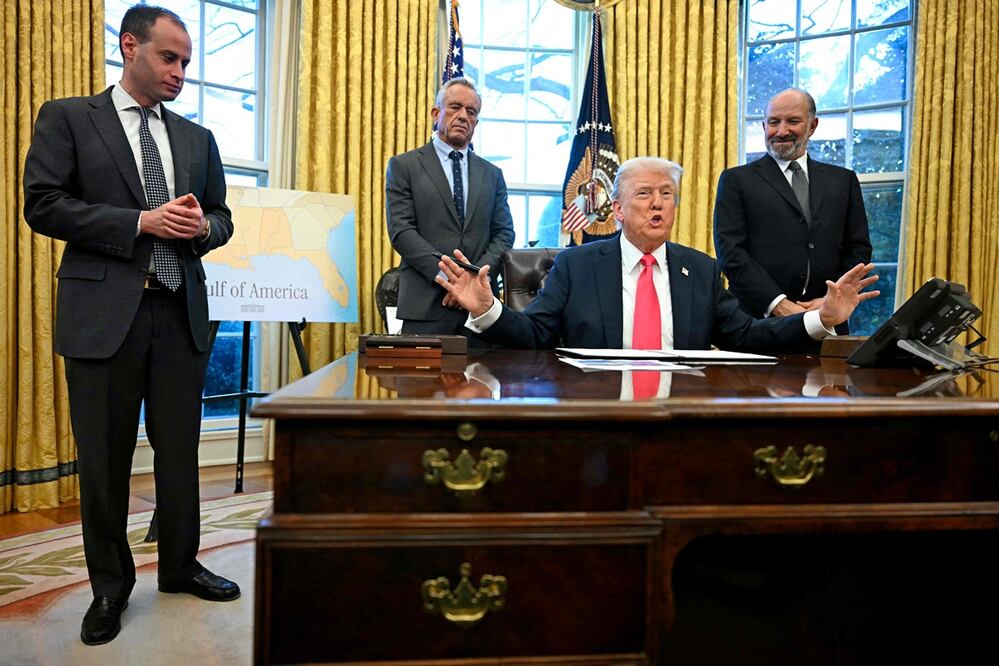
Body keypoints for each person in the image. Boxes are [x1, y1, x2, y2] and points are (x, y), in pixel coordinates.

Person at [22, 5, 238, 646]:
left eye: (187, 64)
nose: (179, 74)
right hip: (101, 315)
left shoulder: (198, 139)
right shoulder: (68, 118)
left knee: (180, 454)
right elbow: (43, 203)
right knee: (105, 459)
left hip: (179, 313)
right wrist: (138, 222)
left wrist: (204, 229)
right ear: (129, 47)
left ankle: (179, 565)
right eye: (169, 58)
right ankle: (109, 589)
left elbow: (223, 218)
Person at [434, 157, 878, 354]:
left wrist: (823, 319)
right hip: (597, 411)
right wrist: (489, 309)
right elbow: (535, 334)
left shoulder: (701, 269)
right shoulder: (578, 264)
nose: (659, 204)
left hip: (678, 416)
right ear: (620, 209)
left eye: (667, 194)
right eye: (645, 194)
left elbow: (747, 335)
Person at [713, 88, 872, 331]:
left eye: (793, 121)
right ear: (763, 125)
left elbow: (858, 248)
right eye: (774, 122)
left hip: (828, 321)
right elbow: (730, 252)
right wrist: (778, 304)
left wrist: (831, 301)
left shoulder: (843, 181)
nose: (781, 131)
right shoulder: (737, 180)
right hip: (757, 323)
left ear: (812, 125)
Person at [385, 77, 515, 345]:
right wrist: (451, 279)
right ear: (436, 113)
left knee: (481, 384)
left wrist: (473, 280)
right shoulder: (404, 166)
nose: (463, 116)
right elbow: (402, 231)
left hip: (479, 311)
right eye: (455, 107)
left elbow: (504, 234)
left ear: (476, 122)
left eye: (471, 111)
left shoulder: (493, 175)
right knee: (420, 388)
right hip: (425, 306)